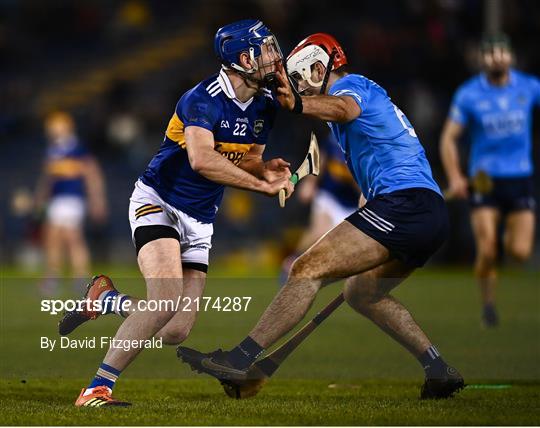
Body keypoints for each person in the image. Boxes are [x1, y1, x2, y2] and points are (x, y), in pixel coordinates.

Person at [178, 33, 464, 399]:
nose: (295, 89)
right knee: (362, 293)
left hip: (406, 205)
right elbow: (369, 179)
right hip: (422, 213)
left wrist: (296, 104)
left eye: (299, 80)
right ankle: (438, 368)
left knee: (305, 268)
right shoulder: (352, 123)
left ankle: (240, 357)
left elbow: (342, 107)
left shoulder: (354, 86)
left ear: (318, 68)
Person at [58, 19, 294, 407]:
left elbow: (250, 160)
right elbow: (202, 160)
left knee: (175, 330)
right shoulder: (201, 99)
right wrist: (261, 186)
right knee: (165, 300)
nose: (275, 57)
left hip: (200, 221)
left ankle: (107, 300)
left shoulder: (266, 107)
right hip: (159, 202)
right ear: (242, 57)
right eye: (266, 49)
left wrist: (267, 171)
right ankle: (96, 389)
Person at [440, 34, 539, 327]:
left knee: (520, 252)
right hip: (484, 181)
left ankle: (508, 234)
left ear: (511, 56)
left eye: (501, 52)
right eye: (490, 53)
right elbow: (448, 139)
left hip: (520, 178)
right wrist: (456, 176)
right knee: (487, 248)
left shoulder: (529, 87)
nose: (496, 57)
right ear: (482, 59)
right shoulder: (469, 94)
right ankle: (488, 306)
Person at [34, 111, 107, 296]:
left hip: (72, 199)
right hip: (58, 200)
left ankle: (78, 279)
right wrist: (40, 197)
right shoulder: (53, 149)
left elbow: (92, 173)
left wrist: (97, 199)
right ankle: (58, 279)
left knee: (71, 238)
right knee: (55, 239)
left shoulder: (76, 147)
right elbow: (48, 178)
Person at [280, 132, 361, 283]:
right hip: (329, 195)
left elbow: (364, 189)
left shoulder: (364, 146)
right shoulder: (335, 137)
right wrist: (310, 183)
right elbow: (320, 159)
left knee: (351, 252)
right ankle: (292, 263)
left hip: (353, 204)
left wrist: (352, 176)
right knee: (319, 232)